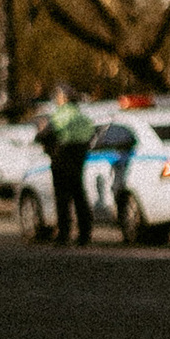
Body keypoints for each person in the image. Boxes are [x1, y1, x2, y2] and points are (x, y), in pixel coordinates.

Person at [42, 88, 97, 247]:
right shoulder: (82, 117)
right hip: (78, 157)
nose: (56, 99)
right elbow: (91, 135)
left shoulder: (60, 115)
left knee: (62, 198)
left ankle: (64, 234)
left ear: (64, 98)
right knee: (79, 194)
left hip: (60, 157)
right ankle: (84, 233)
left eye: (58, 96)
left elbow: (45, 134)